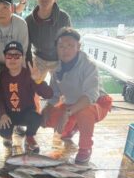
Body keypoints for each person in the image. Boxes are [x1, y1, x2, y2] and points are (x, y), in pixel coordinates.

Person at [42, 27, 112, 164]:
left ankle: (85, 148)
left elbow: (90, 96)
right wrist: (46, 109)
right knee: (47, 118)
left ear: (78, 47)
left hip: (96, 103)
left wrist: (67, 113)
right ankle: (73, 127)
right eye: (61, 46)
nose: (65, 50)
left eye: (70, 46)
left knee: (84, 111)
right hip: (71, 105)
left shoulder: (89, 65)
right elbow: (54, 95)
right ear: (56, 47)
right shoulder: (57, 67)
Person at [0, 41, 53, 153]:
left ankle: (29, 136)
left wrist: (37, 80)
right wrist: (2, 114)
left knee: (37, 118)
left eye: (17, 55)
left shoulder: (29, 74)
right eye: (9, 55)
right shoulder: (2, 75)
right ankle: (8, 136)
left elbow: (48, 94)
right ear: (5, 58)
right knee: (3, 129)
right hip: (10, 114)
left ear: (22, 58)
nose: (12, 59)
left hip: (27, 113)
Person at [26, 0, 71, 81]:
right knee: (32, 84)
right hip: (38, 58)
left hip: (58, 58)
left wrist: (66, 64)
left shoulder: (64, 18)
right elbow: (27, 48)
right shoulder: (29, 20)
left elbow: (70, 43)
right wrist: (30, 67)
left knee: (62, 86)